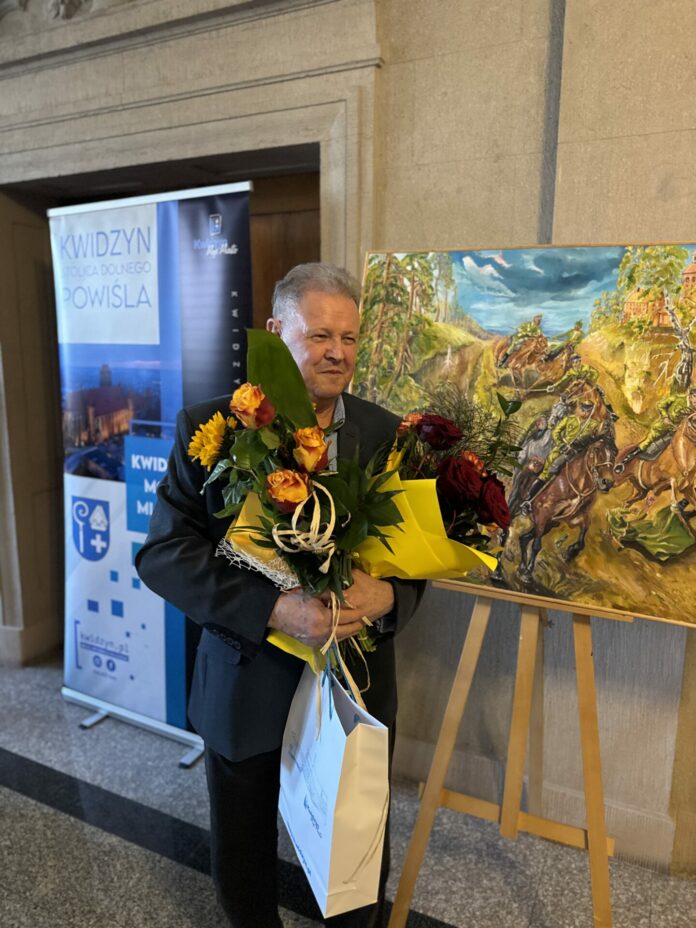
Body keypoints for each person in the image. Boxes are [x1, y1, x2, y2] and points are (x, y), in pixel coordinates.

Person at [135, 263, 424, 928]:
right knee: (244, 866)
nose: (337, 353)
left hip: (354, 689)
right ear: (275, 331)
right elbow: (164, 554)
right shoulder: (210, 428)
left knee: (354, 868)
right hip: (246, 679)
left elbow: (417, 558)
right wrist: (272, 608)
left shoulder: (386, 436)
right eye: (320, 335)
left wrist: (389, 597)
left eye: (349, 338)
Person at [617, 386, 696, 470]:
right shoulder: (678, 399)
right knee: (647, 442)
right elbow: (660, 405)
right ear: (690, 396)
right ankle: (625, 461)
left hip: (677, 431)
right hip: (663, 427)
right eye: (695, 397)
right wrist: (665, 417)